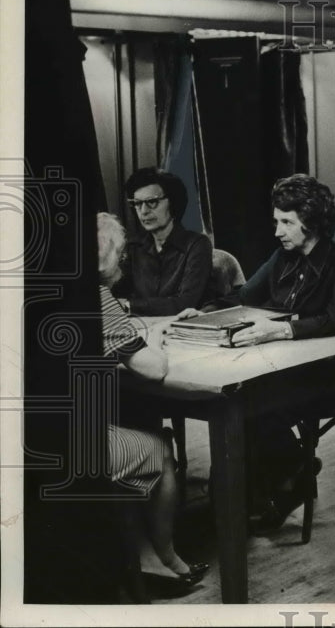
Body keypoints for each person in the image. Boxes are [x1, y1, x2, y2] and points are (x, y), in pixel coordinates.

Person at [180, 174, 335, 532]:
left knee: (249, 406)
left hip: (323, 374)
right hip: (281, 367)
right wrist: (207, 311)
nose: (278, 230)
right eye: (277, 220)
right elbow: (245, 296)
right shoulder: (283, 256)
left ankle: (279, 481)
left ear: (311, 222)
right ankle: (289, 472)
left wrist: (280, 329)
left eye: (287, 222)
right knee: (239, 402)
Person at [97, 212, 208, 592]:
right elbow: (154, 369)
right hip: (77, 443)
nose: (124, 259)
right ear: (104, 257)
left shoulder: (59, 292)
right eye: (119, 252)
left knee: (138, 425)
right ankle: (164, 556)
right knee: (159, 447)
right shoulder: (99, 300)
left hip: (37, 431)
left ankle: (146, 555)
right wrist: (155, 340)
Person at [114, 167, 213, 315]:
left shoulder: (197, 244)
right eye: (137, 203)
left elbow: (185, 303)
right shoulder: (134, 247)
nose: (144, 211)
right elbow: (116, 294)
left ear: (172, 202)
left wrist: (130, 305)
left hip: (184, 329)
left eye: (152, 202)